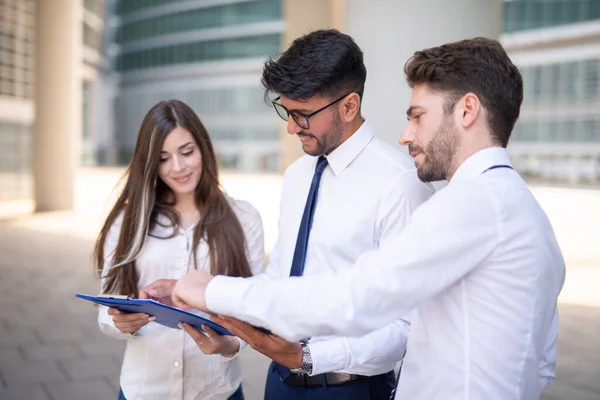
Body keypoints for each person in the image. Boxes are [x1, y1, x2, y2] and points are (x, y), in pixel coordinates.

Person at [168, 37, 566, 400]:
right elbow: (541, 362)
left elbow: (357, 296)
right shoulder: (527, 214)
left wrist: (214, 290)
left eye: (417, 116)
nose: (406, 134)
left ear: (467, 110)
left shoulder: (468, 204)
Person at [145, 29, 433, 400]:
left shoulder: (401, 184)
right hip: (277, 382)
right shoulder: (298, 174)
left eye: (302, 114)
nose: (290, 126)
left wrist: (310, 357)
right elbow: (280, 279)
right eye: (285, 110)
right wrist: (214, 311)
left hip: (350, 389)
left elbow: (408, 325)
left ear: (348, 106)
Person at [93, 100, 264, 400]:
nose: (178, 167)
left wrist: (229, 345)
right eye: (163, 158)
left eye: (187, 152)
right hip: (143, 390)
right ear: (149, 163)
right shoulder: (128, 222)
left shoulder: (243, 218)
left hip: (216, 390)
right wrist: (120, 321)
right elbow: (108, 307)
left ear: (203, 148)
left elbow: (254, 305)